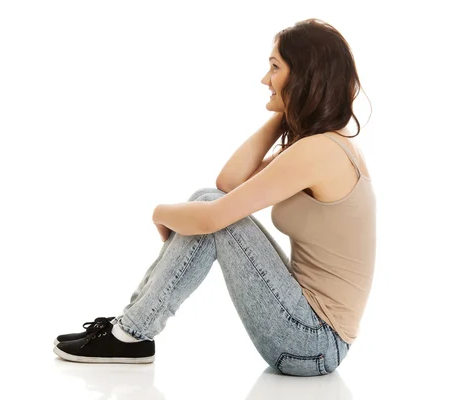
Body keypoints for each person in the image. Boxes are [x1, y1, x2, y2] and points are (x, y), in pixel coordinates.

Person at [53, 18, 376, 377]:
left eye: (274, 68)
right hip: (309, 331)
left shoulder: (319, 152)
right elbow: (228, 182)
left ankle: (130, 335)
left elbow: (213, 217)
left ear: (303, 77)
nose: (264, 80)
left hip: (313, 343)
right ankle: (129, 330)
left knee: (211, 211)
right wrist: (285, 112)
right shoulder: (322, 142)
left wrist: (159, 212)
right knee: (207, 197)